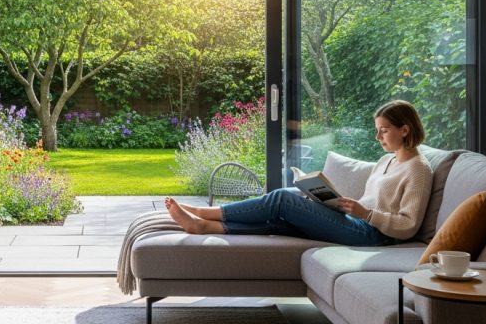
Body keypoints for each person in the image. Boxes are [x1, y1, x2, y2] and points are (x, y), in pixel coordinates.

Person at [165, 100, 433, 246]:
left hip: (376, 236)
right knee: (285, 217)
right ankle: (203, 226)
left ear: (405, 129)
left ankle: (204, 212)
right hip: (360, 223)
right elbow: (370, 201)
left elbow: (408, 225)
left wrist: (367, 214)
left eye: (384, 130)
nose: (378, 136)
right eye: (377, 130)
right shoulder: (385, 161)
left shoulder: (418, 169)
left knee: (282, 198)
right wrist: (334, 202)